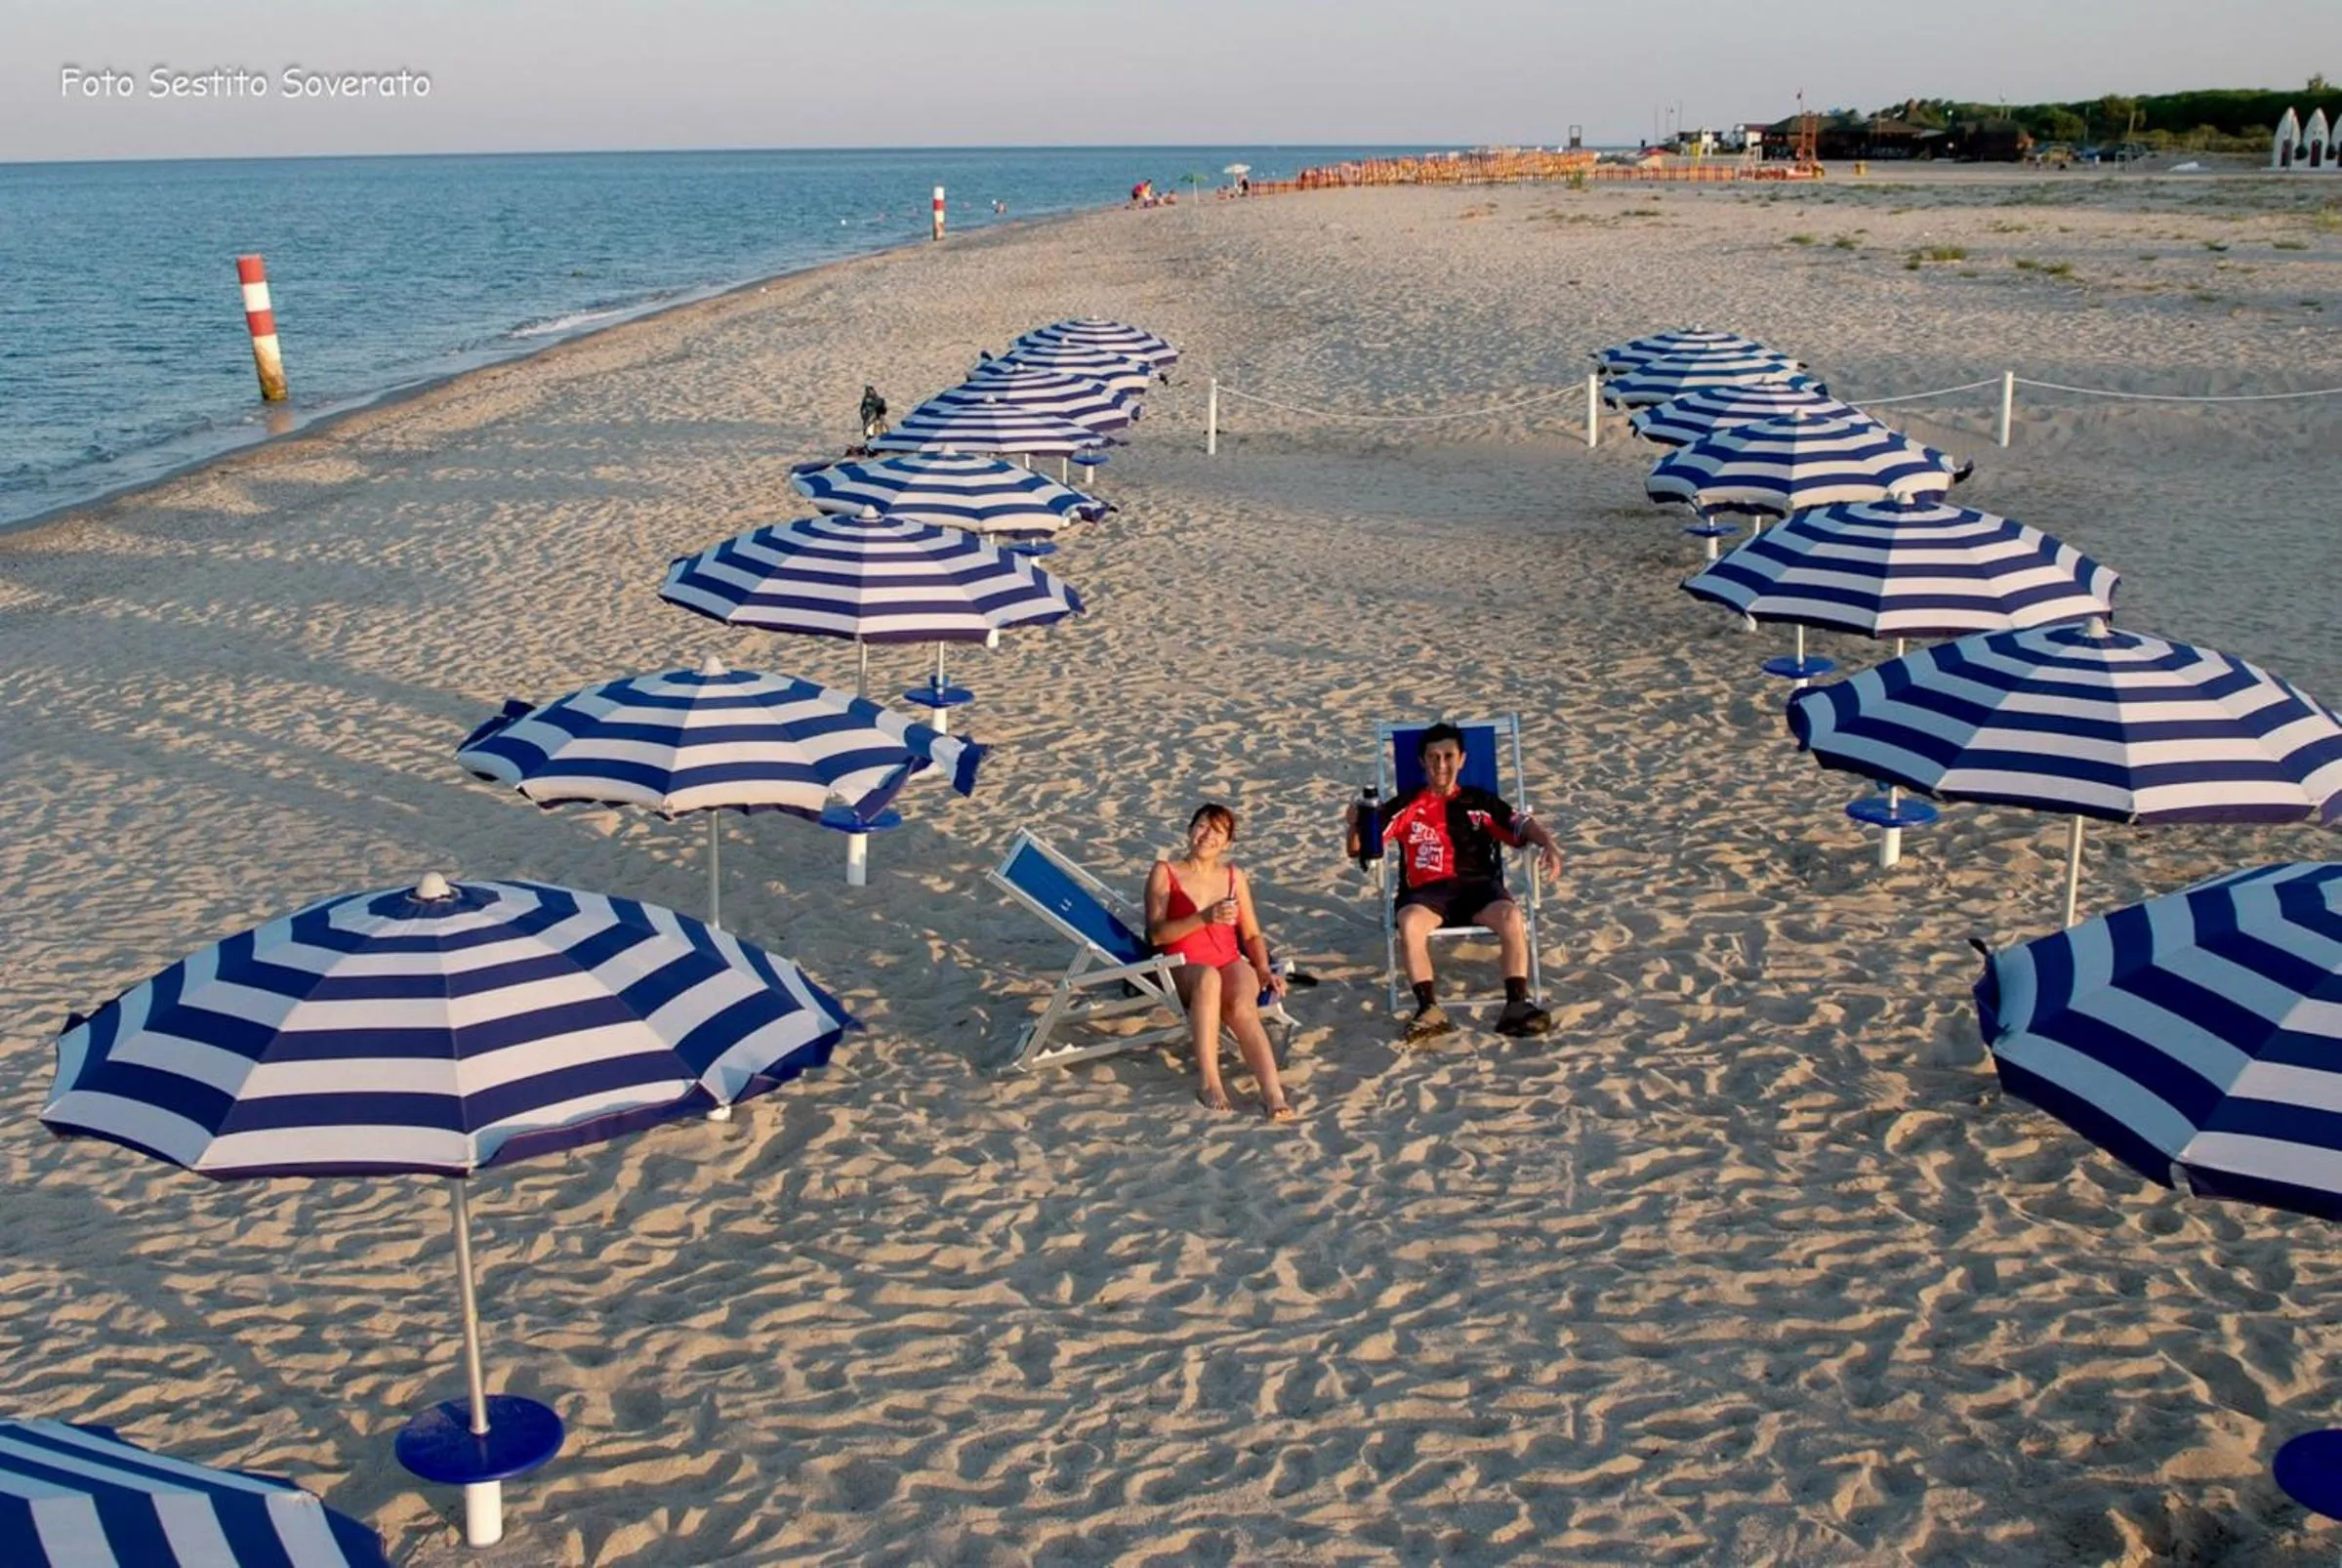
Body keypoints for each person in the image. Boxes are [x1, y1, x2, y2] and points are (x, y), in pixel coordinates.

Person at [1345, 722, 1563, 1043]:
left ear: (1462, 759)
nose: (1441, 765)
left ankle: (1516, 1005)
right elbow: (1360, 849)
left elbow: (1521, 823)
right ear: (1422, 761)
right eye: (1433, 757)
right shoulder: (1406, 805)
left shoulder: (1480, 802)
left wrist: (1549, 844)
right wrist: (1353, 825)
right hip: (1425, 895)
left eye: (1448, 756)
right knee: (1408, 923)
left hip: (1479, 891)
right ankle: (1429, 1009)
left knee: (1512, 917)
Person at [1144, 804, 1294, 1120]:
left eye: (1218, 832)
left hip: (1228, 959)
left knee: (1241, 1005)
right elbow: (1156, 935)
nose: (1207, 835)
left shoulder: (1233, 876)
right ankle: (1210, 1083)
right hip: (1180, 965)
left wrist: (1264, 969)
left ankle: (1272, 1092)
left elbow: (1251, 934)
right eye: (1202, 826)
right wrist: (1203, 918)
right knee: (1208, 979)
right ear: (1189, 830)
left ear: (1226, 843)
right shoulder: (1165, 871)